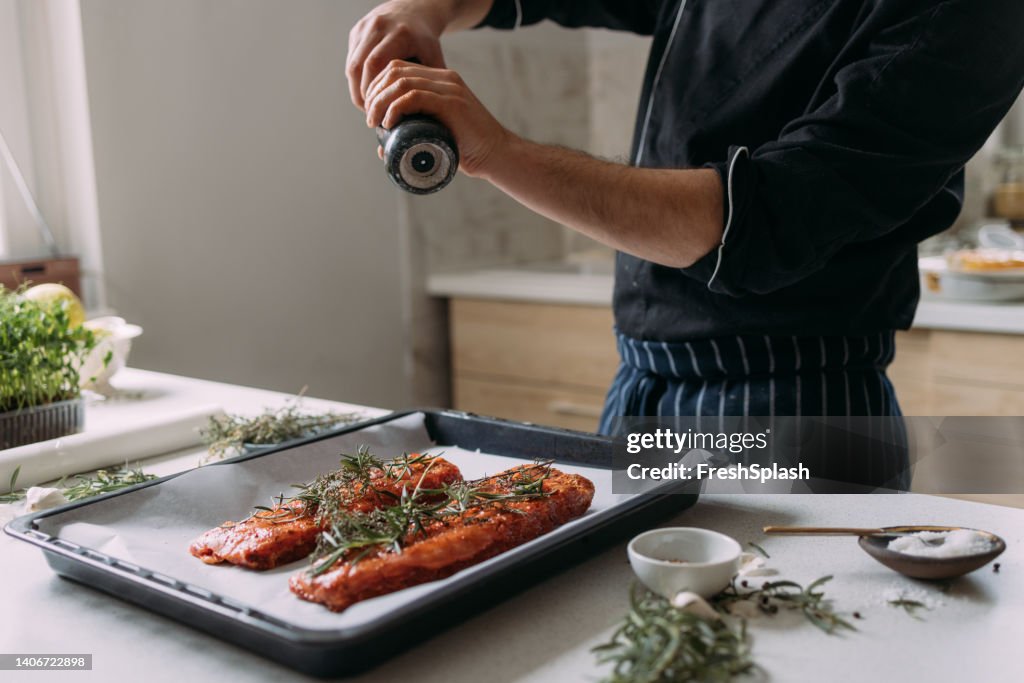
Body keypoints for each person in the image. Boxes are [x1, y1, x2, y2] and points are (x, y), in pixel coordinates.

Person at [346, 1, 1024, 438]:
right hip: (641, 383)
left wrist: (501, 152)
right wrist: (423, 10)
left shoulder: (971, 16)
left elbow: (757, 219)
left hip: (794, 408)